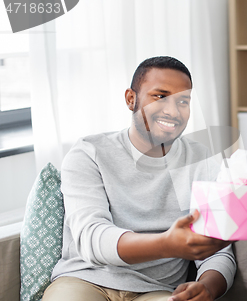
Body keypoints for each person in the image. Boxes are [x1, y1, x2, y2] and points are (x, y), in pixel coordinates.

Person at [43, 56, 236, 301]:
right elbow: (92, 239)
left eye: (183, 101)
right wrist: (166, 244)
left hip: (156, 290)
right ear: (131, 99)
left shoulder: (202, 161)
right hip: (85, 280)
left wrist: (208, 287)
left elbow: (218, 252)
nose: (172, 110)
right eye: (160, 96)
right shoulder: (89, 153)